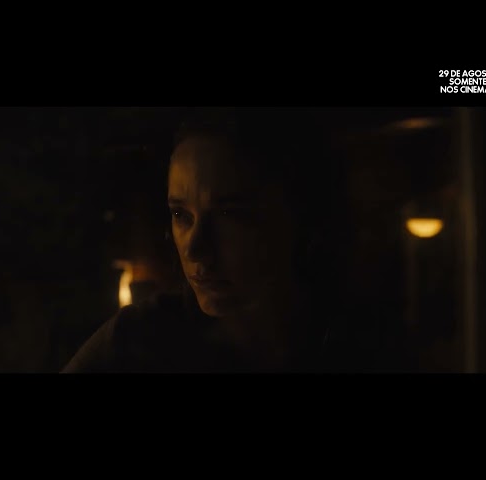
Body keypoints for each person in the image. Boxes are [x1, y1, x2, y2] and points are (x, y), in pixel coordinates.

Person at [62, 107, 384, 373]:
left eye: (229, 214)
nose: (195, 248)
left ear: (301, 216)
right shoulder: (135, 343)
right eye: (181, 214)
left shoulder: (362, 346)